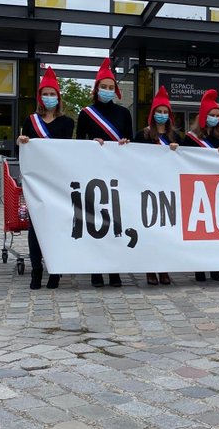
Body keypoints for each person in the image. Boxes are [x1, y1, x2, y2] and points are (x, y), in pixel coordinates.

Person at [76, 58, 132, 288]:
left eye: (111, 87)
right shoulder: (86, 114)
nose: (107, 90)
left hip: (118, 173)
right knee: (95, 221)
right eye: (104, 87)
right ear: (96, 88)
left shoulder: (123, 113)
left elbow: (132, 141)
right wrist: (92, 143)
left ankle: (114, 270)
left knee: (116, 221)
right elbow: (79, 143)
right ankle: (96, 270)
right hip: (94, 174)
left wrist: (126, 143)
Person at [17, 67, 74, 290]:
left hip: (57, 181)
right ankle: (36, 271)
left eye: (53, 94)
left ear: (58, 98)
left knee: (56, 226)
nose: (49, 98)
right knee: (35, 227)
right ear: (40, 97)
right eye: (45, 94)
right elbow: (28, 149)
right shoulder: (30, 121)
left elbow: (65, 150)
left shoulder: (67, 123)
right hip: (36, 183)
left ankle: (55, 270)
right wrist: (21, 140)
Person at [133, 86, 179, 286]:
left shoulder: (176, 137)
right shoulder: (141, 135)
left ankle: (164, 268)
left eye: (165, 112)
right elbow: (131, 157)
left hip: (169, 188)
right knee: (148, 229)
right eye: (159, 112)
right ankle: (150, 268)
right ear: (153, 114)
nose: (162, 115)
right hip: (146, 187)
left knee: (166, 230)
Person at [182, 89, 219, 282]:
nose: (214, 118)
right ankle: (199, 268)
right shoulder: (191, 137)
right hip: (197, 188)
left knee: (216, 231)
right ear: (203, 116)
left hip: (217, 187)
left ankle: (215, 267)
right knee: (200, 230)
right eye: (211, 115)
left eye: (217, 115)